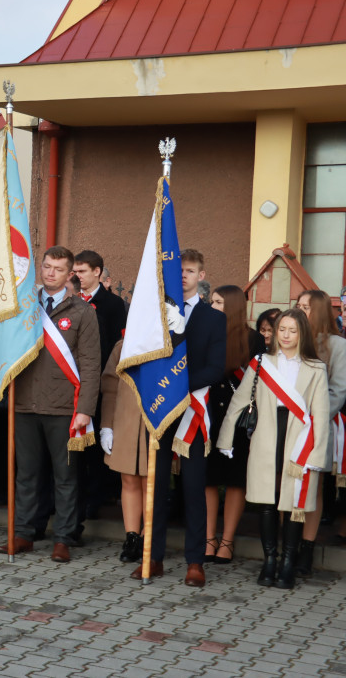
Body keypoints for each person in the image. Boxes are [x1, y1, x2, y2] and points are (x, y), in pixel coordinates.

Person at [217, 308, 329, 589]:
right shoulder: (260, 363)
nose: (287, 335)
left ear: (302, 333)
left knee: (293, 504)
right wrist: (226, 440)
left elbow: (321, 415)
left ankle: (288, 563)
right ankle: (270, 560)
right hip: (267, 435)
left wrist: (317, 456)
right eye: (282, 330)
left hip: (300, 439)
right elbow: (238, 403)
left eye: (293, 330)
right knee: (267, 501)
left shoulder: (316, 368)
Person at [1, 246, 100, 564]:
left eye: (58, 268)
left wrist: (85, 408)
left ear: (70, 274)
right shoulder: (24, 307)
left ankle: (63, 537)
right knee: (26, 474)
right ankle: (24, 533)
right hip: (25, 404)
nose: (50, 272)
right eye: (46, 266)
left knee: (65, 476)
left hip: (64, 408)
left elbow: (90, 364)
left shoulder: (82, 312)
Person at [135, 249, 226, 587]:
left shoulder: (213, 318)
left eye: (190, 271)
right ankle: (153, 556)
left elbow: (216, 368)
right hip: (160, 407)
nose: (184, 276)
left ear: (201, 276)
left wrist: (180, 387)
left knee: (193, 487)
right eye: (180, 271)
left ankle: (194, 561)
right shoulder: (157, 315)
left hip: (194, 411)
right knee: (155, 487)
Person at [203, 286, 266, 565]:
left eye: (217, 302)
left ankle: (227, 540)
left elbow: (257, 382)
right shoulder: (205, 331)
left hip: (238, 418)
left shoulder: (253, 339)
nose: (212, 306)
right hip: (207, 414)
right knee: (208, 479)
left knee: (235, 480)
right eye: (211, 301)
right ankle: (208, 538)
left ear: (231, 305)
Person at [73, 250, 127, 528]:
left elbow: (115, 347)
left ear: (97, 272)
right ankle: (76, 502)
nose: (77, 276)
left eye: (82, 271)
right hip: (73, 384)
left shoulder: (113, 305)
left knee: (97, 444)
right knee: (75, 449)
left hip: (101, 381)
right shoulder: (71, 302)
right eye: (75, 271)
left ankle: (97, 497)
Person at [296, 289, 346, 575]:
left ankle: (307, 548)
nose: (302, 311)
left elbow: (337, 391)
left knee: (312, 489)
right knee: (287, 487)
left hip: (316, 427)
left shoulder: (337, 346)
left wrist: (310, 416)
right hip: (289, 427)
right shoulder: (290, 337)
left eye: (308, 307)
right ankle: (288, 544)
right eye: (299, 305)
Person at [100, 339, 150, 562]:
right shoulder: (123, 345)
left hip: (154, 425)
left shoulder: (170, 345)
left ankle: (147, 537)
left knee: (150, 482)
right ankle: (131, 538)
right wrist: (106, 426)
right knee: (128, 480)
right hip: (125, 422)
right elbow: (110, 387)